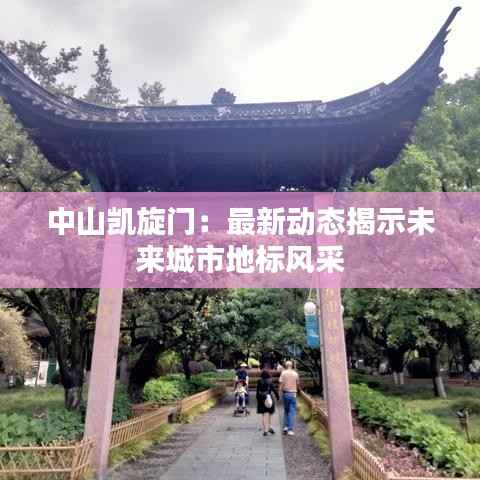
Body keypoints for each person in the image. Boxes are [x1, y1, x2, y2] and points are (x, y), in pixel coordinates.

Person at [279, 360, 300, 436]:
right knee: (292, 412)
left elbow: (281, 384)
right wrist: (298, 390)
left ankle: (285, 427)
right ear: (291, 366)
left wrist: (279, 394)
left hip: (285, 393)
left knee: (286, 411)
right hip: (293, 393)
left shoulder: (283, 373)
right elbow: (298, 384)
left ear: (286, 366)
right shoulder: (295, 374)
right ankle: (290, 429)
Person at [256, 369, 279, 436]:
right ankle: (270, 427)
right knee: (270, 413)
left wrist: (257, 398)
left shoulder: (259, 381)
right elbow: (274, 390)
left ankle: (265, 430)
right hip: (269, 398)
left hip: (261, 398)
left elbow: (257, 390)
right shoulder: (270, 381)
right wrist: (277, 397)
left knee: (264, 415)